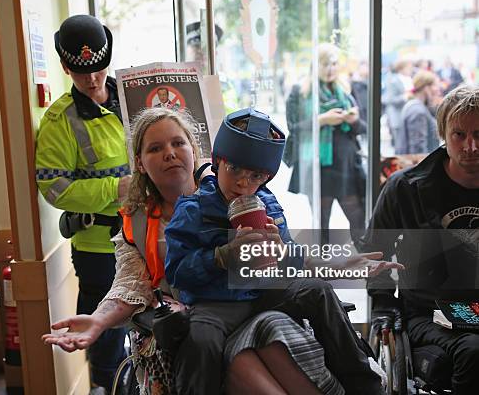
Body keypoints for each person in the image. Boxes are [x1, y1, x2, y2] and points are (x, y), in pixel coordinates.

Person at [43, 108, 347, 395]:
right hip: (194, 325)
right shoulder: (136, 222)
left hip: (255, 306)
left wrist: (338, 264)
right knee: (220, 356)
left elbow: (288, 253)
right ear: (139, 162)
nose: (169, 153)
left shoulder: (245, 195)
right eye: (154, 148)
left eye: (178, 143)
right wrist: (98, 319)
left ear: (196, 151)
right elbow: (129, 284)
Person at [165, 107, 401, 395]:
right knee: (200, 343)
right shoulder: (193, 209)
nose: (243, 182)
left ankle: (366, 385)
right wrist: (222, 256)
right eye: (234, 169)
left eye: (255, 176)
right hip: (216, 305)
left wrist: (332, 261)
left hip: (264, 294)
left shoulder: (267, 202)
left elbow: (293, 261)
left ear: (266, 177)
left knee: (318, 291)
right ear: (217, 162)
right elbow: (177, 272)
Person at [361, 84, 479, 394]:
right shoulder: (406, 188)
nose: (471, 147)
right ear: (444, 135)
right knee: (473, 349)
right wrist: (383, 305)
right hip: (430, 312)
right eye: (459, 135)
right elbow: (375, 250)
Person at [34, 14, 131, 394]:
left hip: (150, 233)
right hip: (99, 247)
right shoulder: (60, 120)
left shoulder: (133, 96)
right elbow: (53, 188)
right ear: (65, 67)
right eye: (80, 72)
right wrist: (114, 188)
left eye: (98, 68)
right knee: (105, 340)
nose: (92, 79)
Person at [285, 43, 367, 245]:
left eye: (334, 64)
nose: (330, 69)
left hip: (347, 165)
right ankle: (324, 271)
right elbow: (294, 127)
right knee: (321, 223)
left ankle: (372, 267)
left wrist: (352, 120)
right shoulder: (300, 92)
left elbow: (363, 127)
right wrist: (322, 120)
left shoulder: (346, 91)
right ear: (315, 66)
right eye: (324, 64)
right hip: (320, 166)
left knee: (359, 218)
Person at [185, 21, 238, 113]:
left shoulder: (224, 84)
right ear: (188, 52)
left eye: (206, 50)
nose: (201, 54)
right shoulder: (178, 79)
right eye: (196, 49)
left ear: (215, 53)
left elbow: (230, 115)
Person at [397, 70, 441, 155]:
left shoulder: (415, 106)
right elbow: (418, 150)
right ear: (426, 88)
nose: (438, 90)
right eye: (435, 86)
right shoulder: (417, 111)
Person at [383, 59, 414, 151]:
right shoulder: (393, 80)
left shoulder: (409, 79)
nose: (411, 70)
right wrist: (405, 97)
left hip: (406, 115)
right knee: (399, 145)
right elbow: (390, 99)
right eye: (408, 68)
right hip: (397, 116)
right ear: (401, 69)